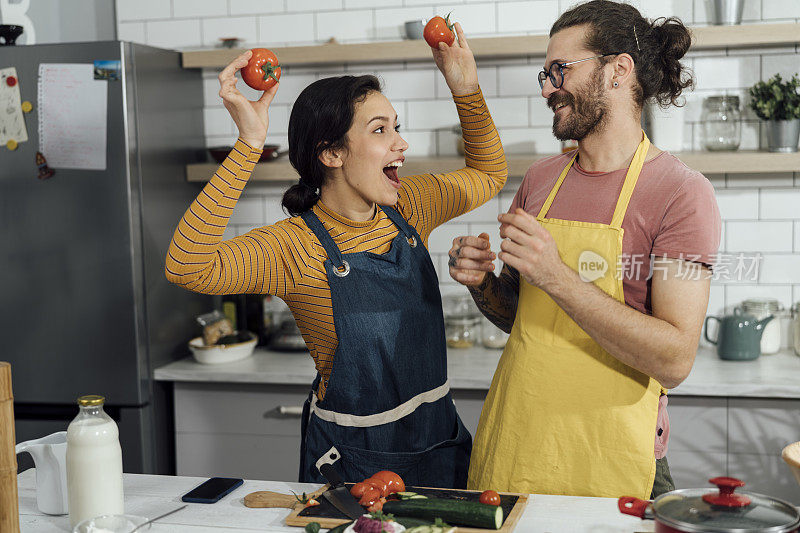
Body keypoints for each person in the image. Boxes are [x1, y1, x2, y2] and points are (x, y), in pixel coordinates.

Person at [165, 23, 507, 488]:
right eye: (381, 130)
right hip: (353, 465)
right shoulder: (294, 248)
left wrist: (465, 88)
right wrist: (248, 143)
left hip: (439, 446)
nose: (401, 144)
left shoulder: (411, 206)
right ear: (331, 153)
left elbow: (489, 172)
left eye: (396, 127)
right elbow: (186, 264)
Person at [447, 0, 721, 499]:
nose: (549, 88)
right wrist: (484, 282)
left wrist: (556, 275)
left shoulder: (680, 192)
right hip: (519, 439)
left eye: (561, 70)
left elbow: (675, 360)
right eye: (544, 74)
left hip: (612, 452)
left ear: (618, 70)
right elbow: (523, 318)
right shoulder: (540, 180)